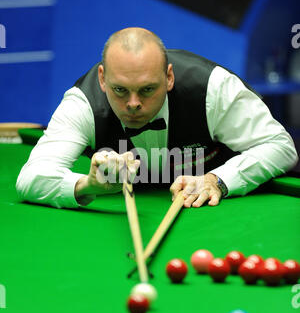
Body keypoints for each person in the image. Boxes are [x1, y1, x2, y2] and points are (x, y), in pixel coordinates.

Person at [16, 27, 298, 209]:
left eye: (148, 89)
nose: (134, 103)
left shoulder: (213, 88)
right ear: (102, 79)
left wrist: (217, 180)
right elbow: (30, 178)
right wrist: (88, 186)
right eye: (120, 90)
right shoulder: (83, 103)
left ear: (169, 77)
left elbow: (280, 146)